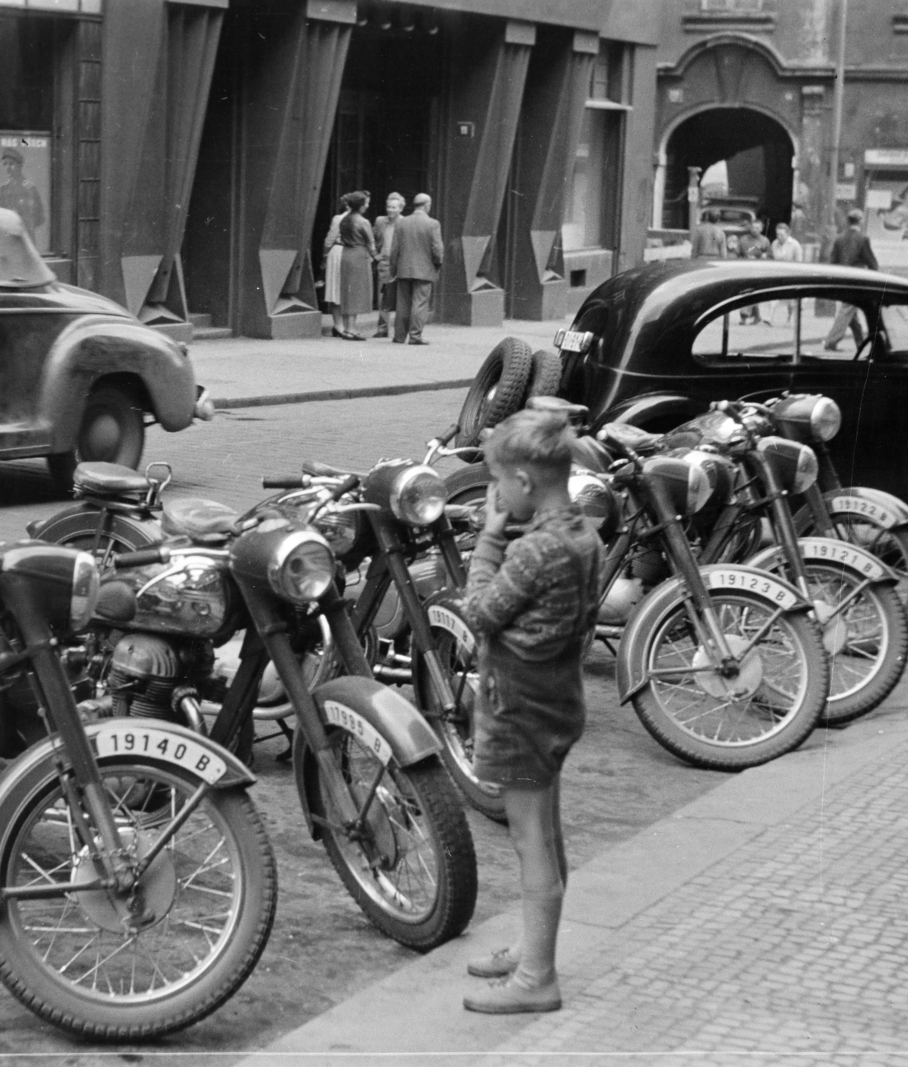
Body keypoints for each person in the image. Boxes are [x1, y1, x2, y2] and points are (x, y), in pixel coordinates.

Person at [458, 406, 602, 1015]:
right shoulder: (584, 535)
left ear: (520, 483)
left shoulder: (534, 551)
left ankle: (536, 978)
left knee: (529, 840)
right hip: (557, 700)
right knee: (547, 830)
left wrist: (489, 537)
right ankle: (532, 946)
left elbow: (478, 611)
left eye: (496, 484)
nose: (494, 496)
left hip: (519, 710)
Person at [390, 193, 444, 345]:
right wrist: (437, 264)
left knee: (403, 304)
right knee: (419, 304)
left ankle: (399, 336)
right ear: (427, 205)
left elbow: (394, 249)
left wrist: (393, 269)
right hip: (424, 270)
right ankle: (415, 336)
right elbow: (437, 249)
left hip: (404, 269)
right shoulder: (433, 224)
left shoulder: (401, 223)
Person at [323, 191, 377, 340]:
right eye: (365, 203)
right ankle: (350, 329)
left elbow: (331, 239)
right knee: (356, 293)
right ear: (360, 205)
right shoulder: (363, 221)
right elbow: (370, 242)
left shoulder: (344, 219)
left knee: (345, 292)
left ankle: (346, 328)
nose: (367, 206)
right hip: (358, 254)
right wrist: (376, 256)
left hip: (345, 254)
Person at [823, 209, 879, 352]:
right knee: (848, 310)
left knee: (851, 312)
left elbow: (832, 261)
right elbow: (871, 262)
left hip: (841, 278)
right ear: (860, 221)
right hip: (856, 279)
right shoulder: (863, 238)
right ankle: (831, 341)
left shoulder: (839, 238)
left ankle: (860, 343)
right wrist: (875, 276)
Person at [372, 192, 406, 338]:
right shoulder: (380, 221)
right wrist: (375, 255)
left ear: (400, 209)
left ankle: (400, 329)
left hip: (400, 264)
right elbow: (371, 239)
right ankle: (382, 328)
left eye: (394, 207)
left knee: (401, 297)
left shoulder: (405, 222)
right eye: (388, 207)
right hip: (384, 263)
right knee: (383, 297)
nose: (390, 210)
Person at [0, 148, 46, 246]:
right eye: (5, 164)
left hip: (25, 239)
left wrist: (26, 227)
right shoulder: (4, 189)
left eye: (11, 164)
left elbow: (39, 217)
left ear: (20, 166)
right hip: (9, 239)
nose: (8, 168)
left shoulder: (29, 188)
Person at [735, 218, 771, 322]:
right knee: (744, 293)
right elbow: (736, 254)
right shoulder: (743, 240)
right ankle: (747, 316)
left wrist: (763, 256)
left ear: (761, 229)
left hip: (758, 271)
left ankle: (749, 316)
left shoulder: (765, 241)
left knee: (754, 293)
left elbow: (770, 255)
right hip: (745, 270)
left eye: (757, 228)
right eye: (753, 227)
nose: (755, 229)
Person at [769, 222, 804, 325]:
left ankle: (789, 319)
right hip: (777, 274)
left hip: (791, 275)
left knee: (791, 301)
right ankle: (770, 318)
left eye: (782, 235)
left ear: (788, 234)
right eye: (777, 234)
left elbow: (799, 262)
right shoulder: (775, 243)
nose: (779, 237)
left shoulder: (795, 245)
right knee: (773, 296)